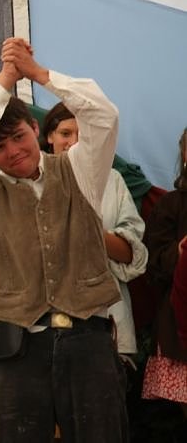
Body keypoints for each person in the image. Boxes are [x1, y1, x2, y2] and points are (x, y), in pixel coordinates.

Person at [0, 37, 128, 441]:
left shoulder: (80, 171)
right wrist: (5, 79)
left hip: (88, 344)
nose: (13, 151)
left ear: (36, 129)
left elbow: (104, 115)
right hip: (18, 350)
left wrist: (37, 74)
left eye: (18, 137)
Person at [40, 104, 148, 360]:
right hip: (45, 328)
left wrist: (92, 229)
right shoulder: (32, 182)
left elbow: (132, 256)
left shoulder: (113, 180)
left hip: (108, 323)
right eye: (65, 133)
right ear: (49, 136)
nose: (74, 143)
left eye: (83, 135)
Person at [141, 128, 187, 429]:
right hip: (180, 331)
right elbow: (151, 266)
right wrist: (179, 252)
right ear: (184, 155)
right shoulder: (171, 205)